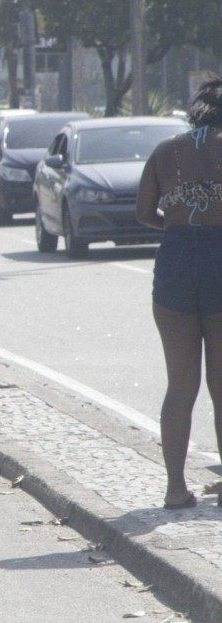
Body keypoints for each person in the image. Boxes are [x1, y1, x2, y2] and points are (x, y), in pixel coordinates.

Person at [136, 77, 222, 510]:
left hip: (174, 264)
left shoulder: (165, 152)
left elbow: (142, 211)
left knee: (180, 386)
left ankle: (174, 488)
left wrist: (176, 226)